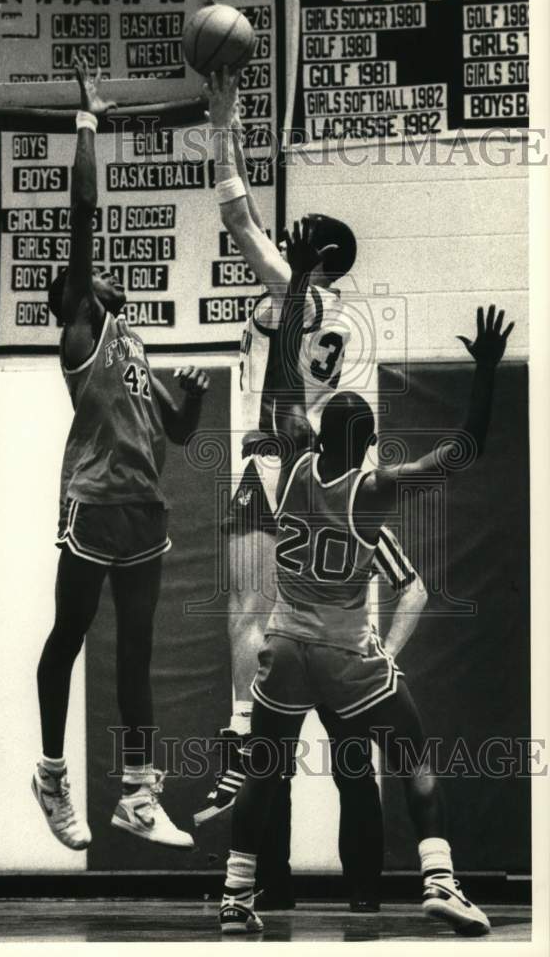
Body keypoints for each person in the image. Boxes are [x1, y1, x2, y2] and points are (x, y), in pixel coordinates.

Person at [219, 305, 513, 935]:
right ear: (371, 440)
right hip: (347, 656)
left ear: (321, 436)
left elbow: (282, 391)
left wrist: (296, 289)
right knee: (413, 755)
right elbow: (466, 450)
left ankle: (236, 897)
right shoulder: (375, 487)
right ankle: (440, 880)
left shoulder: (293, 464)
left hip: (284, 645)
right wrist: (484, 369)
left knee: (263, 774)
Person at [197, 67, 399, 910]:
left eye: (304, 233)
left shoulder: (300, 295)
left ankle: (241, 794)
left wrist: (223, 113)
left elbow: (237, 213)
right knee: (340, 709)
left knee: (257, 655)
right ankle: (357, 897)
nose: (291, 233)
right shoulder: (337, 313)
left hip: (278, 467)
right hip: (318, 478)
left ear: (317, 255)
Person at [33, 58, 209, 851]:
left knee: (136, 655)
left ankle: (139, 795)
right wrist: (89, 123)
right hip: (95, 501)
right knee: (70, 636)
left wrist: (195, 396)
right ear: (76, 298)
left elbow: (178, 432)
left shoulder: (135, 343)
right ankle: (50, 774)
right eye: (91, 276)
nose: (105, 275)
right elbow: (82, 217)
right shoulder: (82, 333)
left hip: (145, 509)